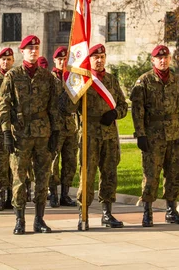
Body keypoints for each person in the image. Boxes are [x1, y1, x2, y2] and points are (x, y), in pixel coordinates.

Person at [0, 35, 60, 235]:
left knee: (43, 177)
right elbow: (3, 105)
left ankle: (39, 219)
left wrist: (56, 131)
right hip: (20, 134)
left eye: (36, 48)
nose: (33, 51)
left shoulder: (47, 77)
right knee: (19, 178)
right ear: (22, 51)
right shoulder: (13, 76)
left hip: (42, 133)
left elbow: (54, 106)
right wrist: (6, 131)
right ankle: (19, 219)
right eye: (29, 49)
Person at [130, 45, 179, 227]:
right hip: (152, 136)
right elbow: (137, 111)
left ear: (170, 59)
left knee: (174, 175)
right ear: (153, 60)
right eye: (159, 58)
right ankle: (147, 211)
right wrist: (140, 134)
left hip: (174, 135)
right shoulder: (144, 82)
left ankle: (171, 211)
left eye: (165, 57)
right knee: (151, 175)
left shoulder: (178, 82)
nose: (163, 61)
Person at [69, 44, 128, 230]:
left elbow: (123, 106)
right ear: (90, 60)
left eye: (102, 56)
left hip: (109, 134)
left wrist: (115, 113)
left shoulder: (111, 80)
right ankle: (83, 213)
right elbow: (70, 108)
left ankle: (107, 213)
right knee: (87, 174)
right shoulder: (83, 80)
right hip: (89, 134)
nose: (99, 60)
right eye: (96, 57)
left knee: (109, 173)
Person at [49, 46, 79, 208]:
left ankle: (65, 194)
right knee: (53, 162)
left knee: (70, 161)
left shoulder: (72, 79)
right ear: (55, 61)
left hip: (70, 126)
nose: (62, 62)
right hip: (55, 127)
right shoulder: (49, 79)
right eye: (59, 59)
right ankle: (53, 193)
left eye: (65, 59)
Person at [0, 48, 15, 211]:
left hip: (15, 128)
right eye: (3, 60)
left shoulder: (17, 77)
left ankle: (13, 196)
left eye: (9, 59)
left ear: (13, 61)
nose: (5, 62)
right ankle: (1, 196)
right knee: (0, 164)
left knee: (15, 165)